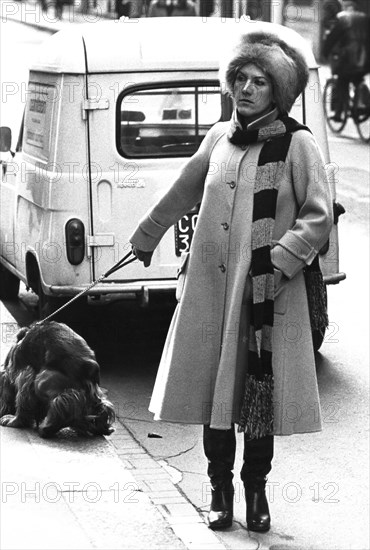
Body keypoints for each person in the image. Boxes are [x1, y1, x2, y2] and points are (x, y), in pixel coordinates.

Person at [130, 31, 333, 533]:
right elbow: (186, 186)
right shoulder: (219, 137)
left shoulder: (297, 144)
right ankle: (219, 489)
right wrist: (148, 233)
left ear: (278, 91)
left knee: (255, 395)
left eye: (258, 81)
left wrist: (280, 261)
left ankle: (256, 491)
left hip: (264, 296)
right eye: (239, 78)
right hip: (210, 293)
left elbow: (318, 216)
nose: (244, 89)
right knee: (212, 392)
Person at [323, 0, 370, 121]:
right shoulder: (365, 18)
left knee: (342, 81)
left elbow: (332, 38)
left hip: (349, 59)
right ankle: (360, 103)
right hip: (365, 60)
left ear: (347, 7)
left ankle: (339, 113)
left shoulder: (343, 18)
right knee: (358, 78)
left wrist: (325, 52)